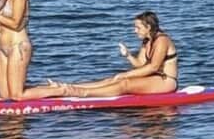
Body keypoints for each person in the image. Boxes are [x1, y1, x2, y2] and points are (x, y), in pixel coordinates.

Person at [21, 11, 180, 99]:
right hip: (153, 79)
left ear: (148, 27)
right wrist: (128, 55)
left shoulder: (162, 40)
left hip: (166, 82)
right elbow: (140, 65)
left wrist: (125, 74)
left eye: (138, 28)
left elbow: (153, 67)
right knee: (112, 79)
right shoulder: (147, 40)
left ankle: (81, 93)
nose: (135, 31)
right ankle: (70, 87)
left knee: (123, 83)